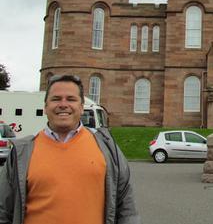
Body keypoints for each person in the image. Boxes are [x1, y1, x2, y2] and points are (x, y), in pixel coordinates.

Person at [0, 74, 140, 224]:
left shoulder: (108, 148)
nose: (63, 104)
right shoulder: (22, 151)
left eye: (71, 99)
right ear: (45, 107)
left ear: (81, 107)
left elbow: (127, 209)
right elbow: (3, 210)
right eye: (56, 99)